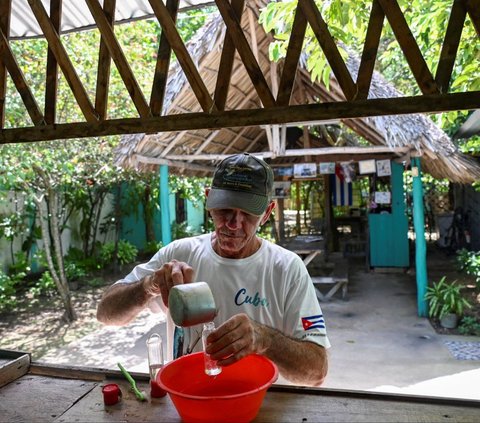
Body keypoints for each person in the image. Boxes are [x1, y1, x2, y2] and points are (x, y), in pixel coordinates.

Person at [97, 153, 330, 386]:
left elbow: (317, 371)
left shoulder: (287, 269)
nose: (233, 223)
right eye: (225, 209)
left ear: (266, 214)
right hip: (188, 403)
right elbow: (106, 314)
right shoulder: (179, 254)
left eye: (248, 213)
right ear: (209, 201)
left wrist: (265, 338)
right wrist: (148, 286)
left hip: (257, 407)